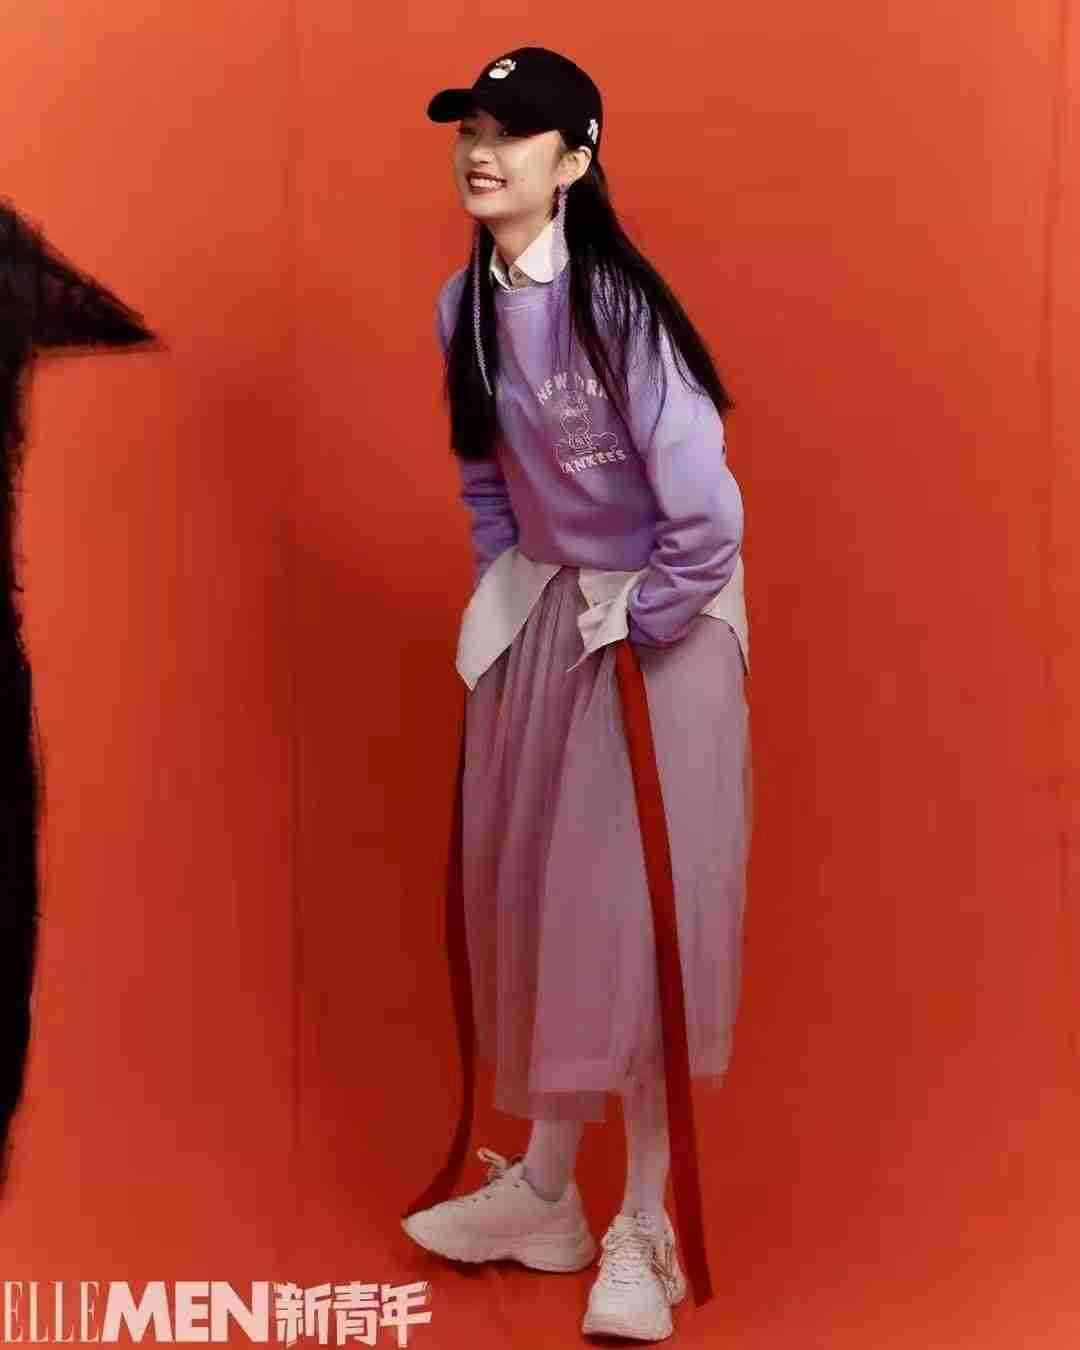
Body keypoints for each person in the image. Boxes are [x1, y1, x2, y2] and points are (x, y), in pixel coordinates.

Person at [400, 48, 753, 1343]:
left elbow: (708, 516)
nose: (481, 152)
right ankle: (547, 1193)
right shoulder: (467, 305)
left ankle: (644, 1225)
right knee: (550, 901)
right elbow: (485, 472)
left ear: (578, 161)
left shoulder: (618, 309)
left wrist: (642, 617)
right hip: (554, 616)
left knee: (634, 926)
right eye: (470, 130)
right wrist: (511, 592)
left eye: (514, 133)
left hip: (662, 625)